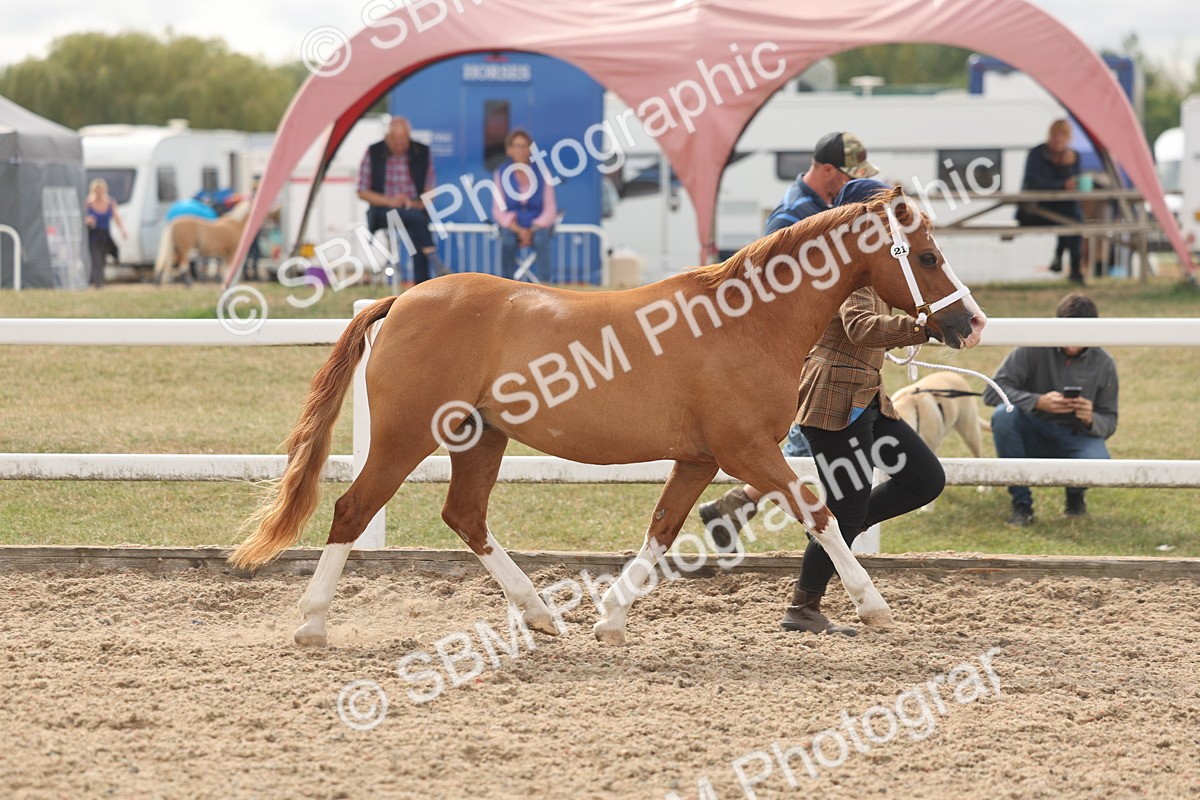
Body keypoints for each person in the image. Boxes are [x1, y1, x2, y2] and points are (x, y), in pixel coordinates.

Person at [698, 178, 947, 636]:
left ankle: (827, 535)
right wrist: (921, 328)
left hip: (867, 397)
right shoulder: (844, 269)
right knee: (847, 513)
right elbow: (861, 328)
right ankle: (803, 606)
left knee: (924, 480)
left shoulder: (874, 264)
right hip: (834, 401)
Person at [984, 293, 1118, 526]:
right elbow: (992, 392)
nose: (1074, 342)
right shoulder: (1031, 348)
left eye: (1083, 334)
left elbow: (1110, 420)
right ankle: (1021, 504)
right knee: (1003, 416)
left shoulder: (1104, 362)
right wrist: (1037, 401)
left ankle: (1075, 496)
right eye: (1068, 333)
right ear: (1056, 326)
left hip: (1078, 435)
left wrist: (1089, 418)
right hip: (1033, 429)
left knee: (1098, 462)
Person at [357, 116, 448, 284]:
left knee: (416, 223)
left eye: (403, 142)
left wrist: (421, 202)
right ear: (387, 138)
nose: (400, 146)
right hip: (383, 210)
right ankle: (431, 266)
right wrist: (390, 201)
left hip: (413, 208)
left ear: (409, 137)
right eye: (395, 142)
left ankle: (421, 288)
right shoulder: (373, 152)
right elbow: (362, 191)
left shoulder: (422, 152)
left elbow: (429, 188)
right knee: (417, 220)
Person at [1016, 119, 1084, 283]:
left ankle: (1060, 259)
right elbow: (1034, 184)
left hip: (1060, 212)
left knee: (1072, 216)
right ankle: (1072, 268)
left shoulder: (1072, 157)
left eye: (1062, 136)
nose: (1058, 140)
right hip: (1034, 211)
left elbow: (1073, 185)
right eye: (1055, 135)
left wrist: (1066, 166)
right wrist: (1062, 183)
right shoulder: (1037, 154)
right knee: (1074, 219)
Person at [492, 129, 558, 281]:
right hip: (513, 225)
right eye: (516, 146)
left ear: (530, 149)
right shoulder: (501, 173)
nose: (520, 150)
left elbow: (550, 209)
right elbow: (497, 210)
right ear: (509, 149)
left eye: (524, 146)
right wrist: (518, 229)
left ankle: (544, 285)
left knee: (542, 240)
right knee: (507, 242)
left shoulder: (543, 172)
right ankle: (507, 284)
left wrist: (531, 229)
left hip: (537, 225)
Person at [85, 178, 127, 289]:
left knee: (104, 259)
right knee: (96, 260)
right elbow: (81, 217)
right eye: (96, 191)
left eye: (101, 191)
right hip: (93, 236)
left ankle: (100, 282)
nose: (98, 193)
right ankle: (98, 285)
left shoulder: (110, 202)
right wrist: (87, 220)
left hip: (105, 236)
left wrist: (123, 230)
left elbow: (117, 217)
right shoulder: (88, 203)